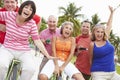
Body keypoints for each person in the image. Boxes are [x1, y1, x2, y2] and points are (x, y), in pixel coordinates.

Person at [0, 1, 56, 80]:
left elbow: (37, 40)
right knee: (1, 65)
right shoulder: (10, 14)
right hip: (7, 48)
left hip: (23, 51)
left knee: (30, 69)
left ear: (32, 13)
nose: (28, 10)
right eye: (26, 7)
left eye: (31, 9)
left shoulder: (32, 23)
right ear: (21, 8)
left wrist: (47, 55)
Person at [89, 6, 120, 80]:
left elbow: (109, 25)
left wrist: (112, 13)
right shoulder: (92, 44)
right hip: (98, 73)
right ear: (94, 32)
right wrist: (93, 73)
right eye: (98, 32)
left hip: (112, 73)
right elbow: (90, 60)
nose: (100, 34)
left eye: (102, 32)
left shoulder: (107, 40)